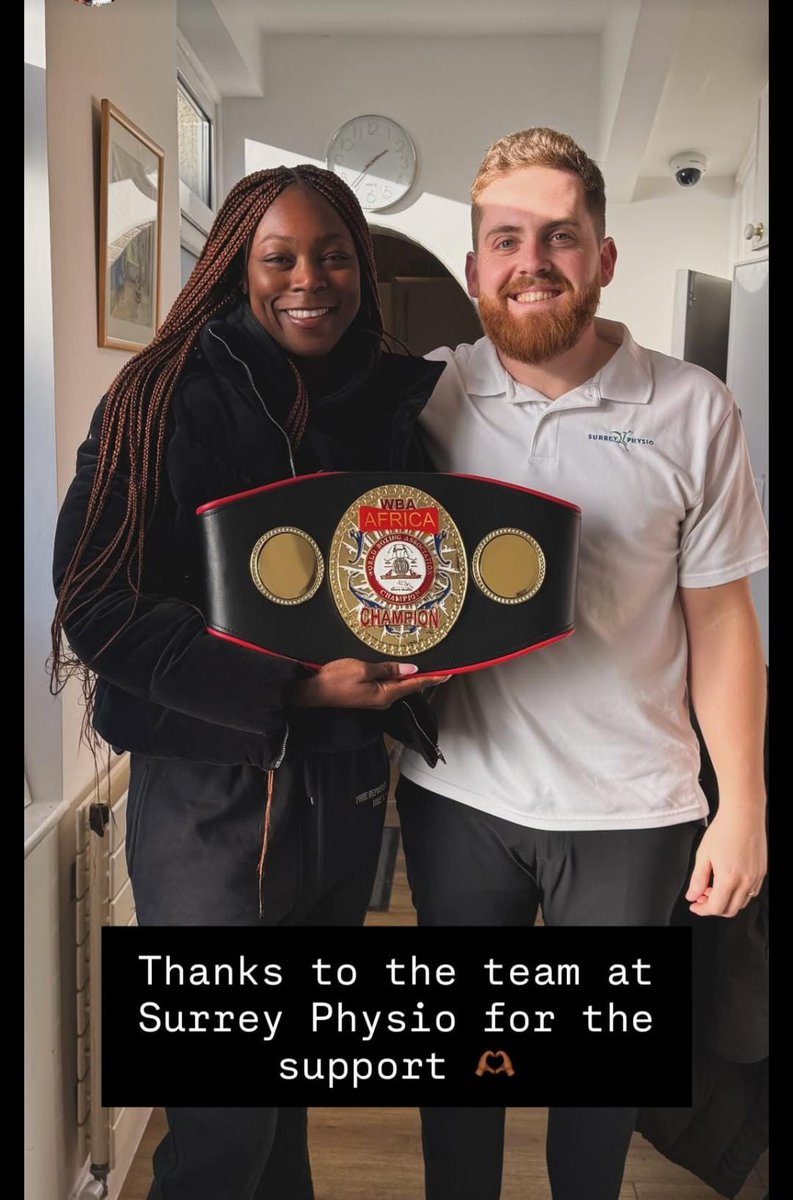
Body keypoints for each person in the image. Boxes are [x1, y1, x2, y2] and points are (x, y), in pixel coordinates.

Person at [50, 164, 449, 1200]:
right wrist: (295, 690)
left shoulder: (391, 401)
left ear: (362, 266)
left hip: (347, 790)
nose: (307, 279)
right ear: (237, 268)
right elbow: (98, 610)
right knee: (222, 1124)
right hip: (207, 804)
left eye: (332, 255)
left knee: (282, 1098)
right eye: (279, 257)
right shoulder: (159, 397)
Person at [395, 127, 769, 1200]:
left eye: (560, 235)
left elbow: (723, 621)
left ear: (603, 256)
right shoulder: (421, 398)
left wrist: (738, 802)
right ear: (473, 267)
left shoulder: (691, 406)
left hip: (632, 811)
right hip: (458, 791)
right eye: (504, 239)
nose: (532, 260)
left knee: (596, 1091)